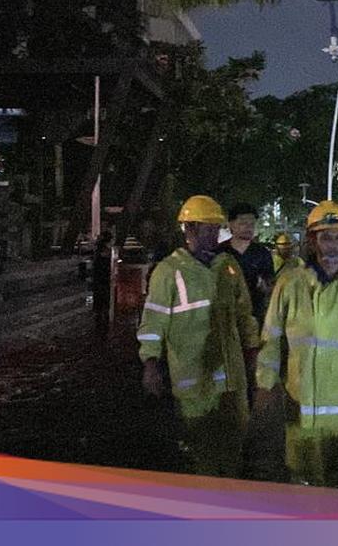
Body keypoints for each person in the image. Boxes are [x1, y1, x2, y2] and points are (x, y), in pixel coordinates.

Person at [255, 200, 338, 487]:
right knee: (300, 481)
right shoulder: (289, 284)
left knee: (335, 481)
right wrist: (265, 385)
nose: (333, 246)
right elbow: (271, 339)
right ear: (312, 241)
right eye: (326, 237)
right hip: (298, 405)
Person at [136, 195, 261, 478]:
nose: (214, 235)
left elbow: (244, 316)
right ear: (189, 229)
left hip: (232, 380)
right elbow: (153, 323)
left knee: (234, 452)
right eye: (207, 228)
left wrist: (253, 353)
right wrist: (151, 365)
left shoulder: (228, 267)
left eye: (216, 228)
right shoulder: (168, 272)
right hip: (195, 384)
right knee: (202, 454)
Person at [219, 203, 275, 332]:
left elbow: (270, 285)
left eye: (252, 224)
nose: (249, 227)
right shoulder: (220, 253)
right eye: (243, 223)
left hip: (255, 318)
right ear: (231, 224)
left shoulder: (262, 254)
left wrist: (264, 286)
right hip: (226, 318)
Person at [91, 231, 113, 335]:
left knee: (99, 303)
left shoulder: (97, 252)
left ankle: (98, 321)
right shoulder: (107, 252)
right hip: (104, 281)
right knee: (105, 302)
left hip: (98, 281)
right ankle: (103, 322)